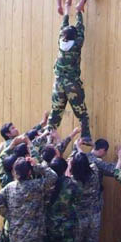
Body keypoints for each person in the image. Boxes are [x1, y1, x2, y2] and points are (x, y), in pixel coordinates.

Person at [0, 157, 57, 242]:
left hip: (16, 233)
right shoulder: (37, 186)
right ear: (29, 172)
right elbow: (53, 177)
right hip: (33, 234)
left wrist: (9, 216)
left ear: (15, 172)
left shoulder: (10, 187)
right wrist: (37, 165)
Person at [47, 8, 92, 144]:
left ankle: (48, 138)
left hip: (58, 84)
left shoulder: (61, 43)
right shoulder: (76, 45)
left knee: (55, 114)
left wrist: (66, 14)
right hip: (72, 84)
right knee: (82, 113)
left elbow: (63, 29)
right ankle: (85, 137)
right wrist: (79, 12)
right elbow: (80, 29)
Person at [41, 157, 81, 242]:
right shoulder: (72, 184)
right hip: (67, 227)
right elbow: (78, 199)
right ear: (65, 169)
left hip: (50, 226)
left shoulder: (45, 184)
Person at [70, 143, 101, 242]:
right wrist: (79, 148)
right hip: (94, 216)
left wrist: (75, 148)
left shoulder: (72, 182)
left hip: (79, 218)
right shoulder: (95, 172)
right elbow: (88, 161)